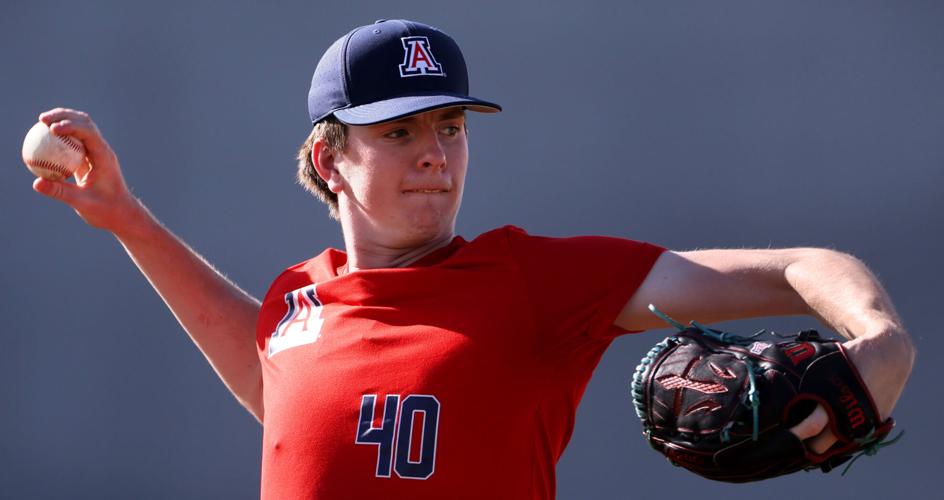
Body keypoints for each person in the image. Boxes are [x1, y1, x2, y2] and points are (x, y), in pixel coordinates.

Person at [31, 19, 913, 500]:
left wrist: (881, 339)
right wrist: (129, 221)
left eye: (450, 126)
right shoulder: (299, 300)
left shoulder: (536, 283)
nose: (435, 153)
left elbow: (800, 267)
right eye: (400, 131)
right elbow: (279, 390)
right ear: (330, 159)